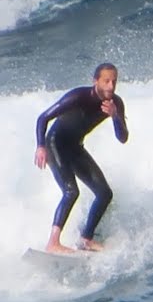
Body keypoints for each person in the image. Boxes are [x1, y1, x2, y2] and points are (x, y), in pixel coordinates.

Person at [34, 62, 129, 254]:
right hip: (55, 144)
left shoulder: (115, 104)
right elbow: (43, 118)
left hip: (75, 147)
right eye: (106, 81)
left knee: (104, 194)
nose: (111, 86)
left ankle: (86, 239)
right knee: (71, 192)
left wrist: (115, 116)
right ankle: (53, 243)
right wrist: (40, 147)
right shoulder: (78, 97)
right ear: (96, 81)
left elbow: (123, 138)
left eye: (114, 81)